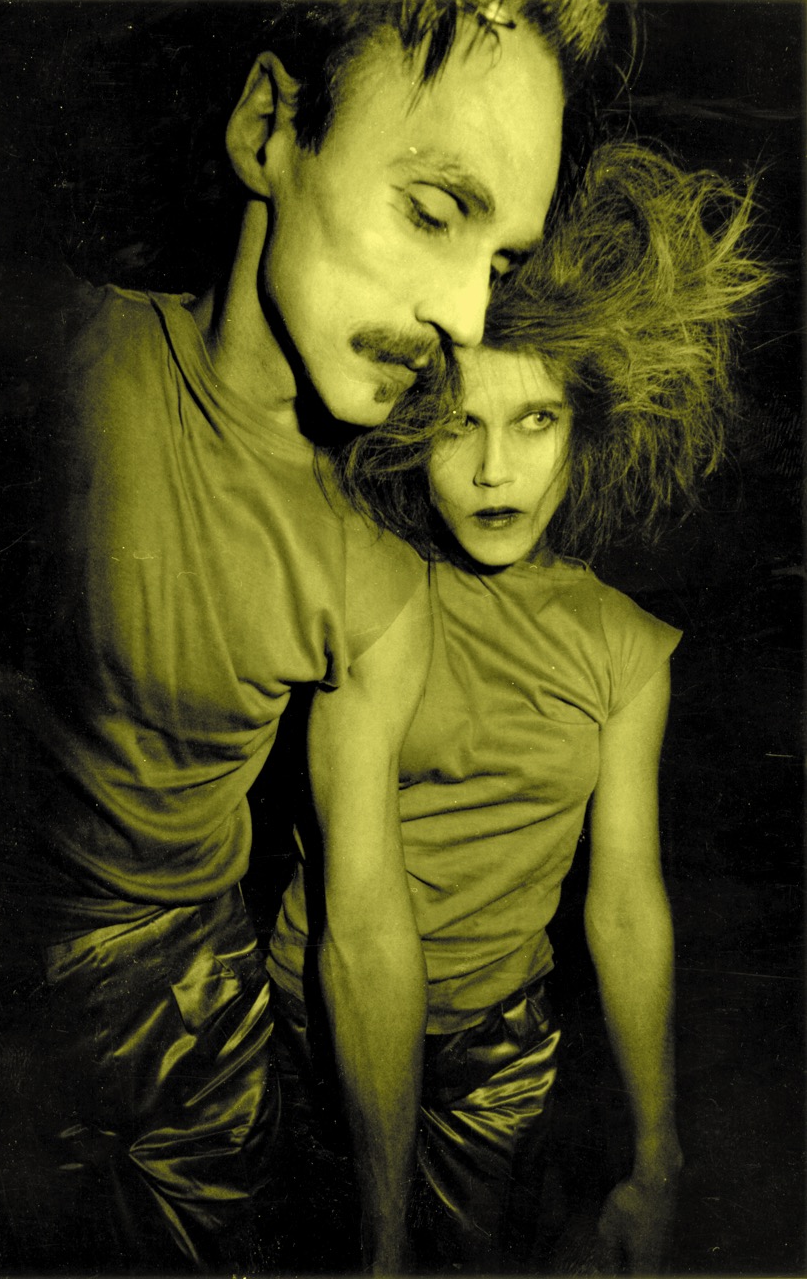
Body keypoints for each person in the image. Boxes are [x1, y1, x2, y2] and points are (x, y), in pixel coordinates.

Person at [0, 0, 612, 1274]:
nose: (467, 317)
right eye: (434, 211)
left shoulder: (375, 569)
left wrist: (383, 1242)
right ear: (268, 128)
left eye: (500, 263)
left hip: (189, 1019)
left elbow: (366, 917)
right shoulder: (44, 356)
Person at [267, 138, 771, 1274]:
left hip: (504, 1047)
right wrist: (381, 1242)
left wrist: (657, 1156)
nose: (496, 471)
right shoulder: (369, 590)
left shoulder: (625, 647)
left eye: (535, 421)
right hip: (320, 1020)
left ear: (585, 430)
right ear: (411, 430)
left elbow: (625, 904)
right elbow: (359, 916)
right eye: (459, 425)